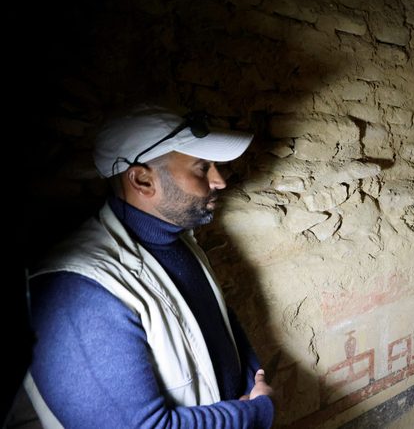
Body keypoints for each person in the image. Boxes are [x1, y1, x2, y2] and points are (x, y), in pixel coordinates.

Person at [22, 105, 274, 428]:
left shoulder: (178, 239)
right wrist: (256, 412)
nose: (220, 180)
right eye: (202, 168)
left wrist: (256, 380)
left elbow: (222, 323)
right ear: (142, 179)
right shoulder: (79, 292)